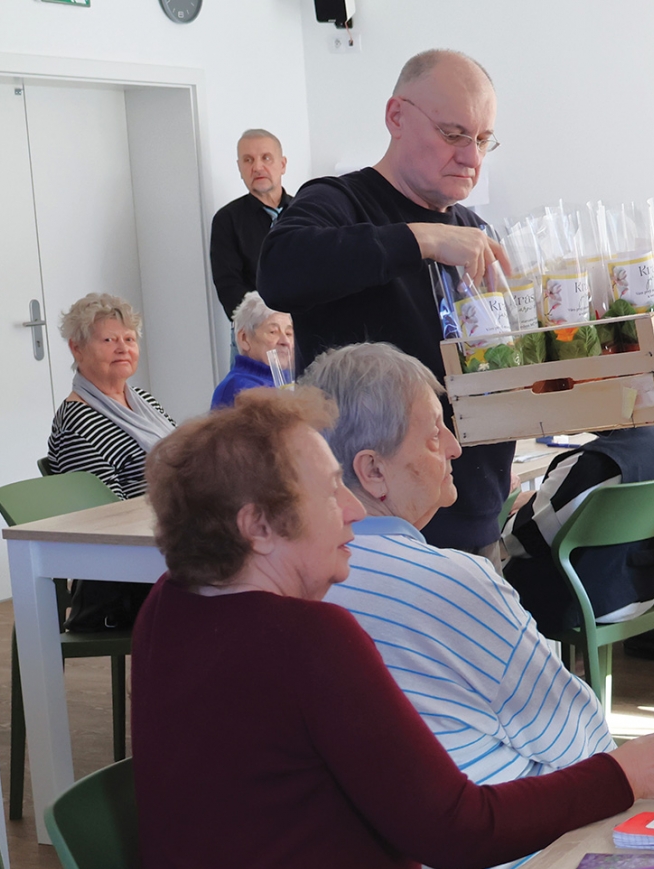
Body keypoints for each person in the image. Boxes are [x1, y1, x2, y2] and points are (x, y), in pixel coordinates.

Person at [132, 387, 654, 869]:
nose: (353, 509)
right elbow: (459, 829)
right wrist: (628, 773)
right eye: (328, 491)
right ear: (258, 528)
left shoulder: (167, 605)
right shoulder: (308, 639)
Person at [307, 344, 654, 869]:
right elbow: (582, 745)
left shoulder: (296, 583)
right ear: (372, 471)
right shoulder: (453, 583)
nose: (455, 447)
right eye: (433, 435)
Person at [258, 48, 515, 555]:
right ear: (396, 116)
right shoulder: (338, 201)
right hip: (367, 533)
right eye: (453, 135)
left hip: (477, 520)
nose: (472, 158)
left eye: (483, 140)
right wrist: (422, 239)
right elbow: (280, 269)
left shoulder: (473, 230)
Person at [502, 426, 654, 636]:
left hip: (585, 602)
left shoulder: (594, 463)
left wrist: (505, 505)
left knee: (488, 581)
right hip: (646, 587)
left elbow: (520, 541)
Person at [48, 292, 175, 499]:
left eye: (129, 339)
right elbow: (105, 511)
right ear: (77, 348)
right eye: (109, 340)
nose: (123, 349)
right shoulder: (78, 427)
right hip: (154, 517)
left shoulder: (144, 400)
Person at [209, 129, 292, 322]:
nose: (257, 167)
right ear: (239, 168)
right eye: (248, 160)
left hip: (308, 326)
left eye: (266, 158)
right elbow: (229, 286)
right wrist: (269, 323)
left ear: (282, 164)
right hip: (257, 329)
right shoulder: (227, 220)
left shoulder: (306, 211)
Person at [210, 292, 295, 410]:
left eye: (289, 333)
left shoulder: (291, 383)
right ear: (244, 338)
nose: (285, 341)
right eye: (273, 332)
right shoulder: (239, 389)